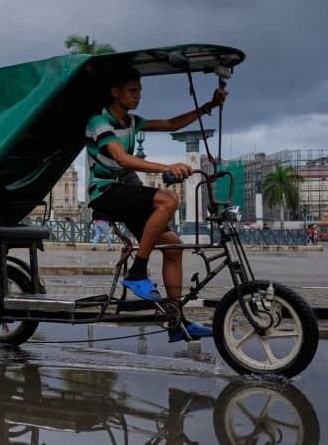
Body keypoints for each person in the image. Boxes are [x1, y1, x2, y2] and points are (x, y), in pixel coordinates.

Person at [85, 65, 226, 343]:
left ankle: (176, 321)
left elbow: (171, 124)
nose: (138, 96)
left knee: (174, 248)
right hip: (104, 193)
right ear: (115, 92)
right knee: (169, 198)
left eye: (139, 91)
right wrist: (166, 167)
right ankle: (138, 271)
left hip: (123, 192)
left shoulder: (131, 122)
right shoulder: (99, 122)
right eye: (132, 90)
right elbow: (123, 160)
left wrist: (209, 106)